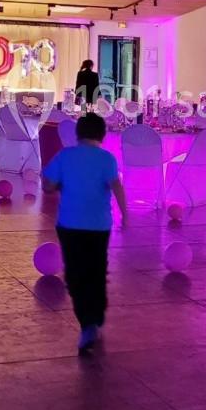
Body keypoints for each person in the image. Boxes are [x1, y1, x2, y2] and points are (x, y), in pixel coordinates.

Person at [41, 112, 128, 354]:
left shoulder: (65, 156)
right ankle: (96, 317)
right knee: (97, 270)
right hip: (99, 226)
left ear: (78, 134)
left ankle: (86, 322)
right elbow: (117, 188)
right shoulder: (107, 159)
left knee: (75, 273)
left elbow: (47, 184)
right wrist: (126, 215)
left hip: (69, 224)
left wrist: (55, 185)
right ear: (103, 134)